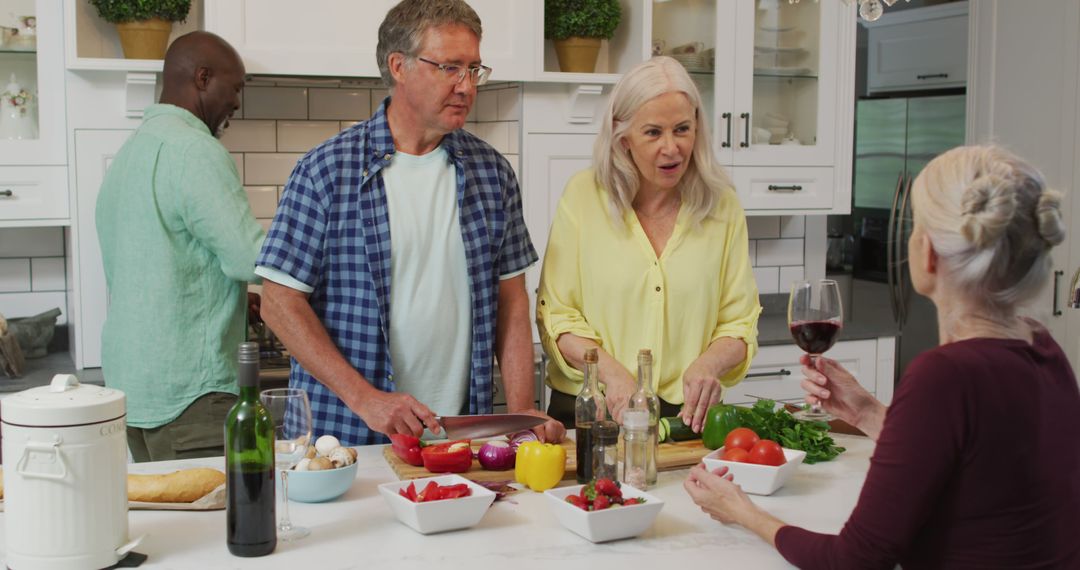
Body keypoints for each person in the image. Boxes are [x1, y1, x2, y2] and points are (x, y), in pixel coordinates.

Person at [685, 145, 1080, 568]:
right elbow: (976, 466)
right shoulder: (1044, 350)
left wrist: (743, 512)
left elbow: (855, 561)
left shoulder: (946, 375)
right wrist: (868, 412)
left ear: (927, 252)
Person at [256, 0, 564, 446]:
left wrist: (519, 414)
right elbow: (278, 302)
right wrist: (368, 399)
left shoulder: (492, 172)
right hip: (350, 438)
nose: (466, 86)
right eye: (450, 68)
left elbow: (512, 300)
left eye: (474, 69)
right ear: (398, 66)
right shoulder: (327, 170)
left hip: (461, 437)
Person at [536, 56, 761, 433]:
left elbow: (739, 323)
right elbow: (557, 316)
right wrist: (614, 376)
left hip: (685, 420)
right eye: (654, 132)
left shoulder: (723, 205)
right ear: (623, 138)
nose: (672, 148)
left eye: (682, 129)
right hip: (592, 413)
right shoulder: (583, 196)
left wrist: (708, 365)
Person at [96, 31, 264, 462]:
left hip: (132, 392)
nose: (238, 102)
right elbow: (252, 257)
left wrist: (228, 298)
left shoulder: (128, 155)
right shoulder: (195, 151)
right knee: (214, 525)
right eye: (237, 87)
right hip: (192, 394)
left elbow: (156, 265)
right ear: (203, 78)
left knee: (168, 524)